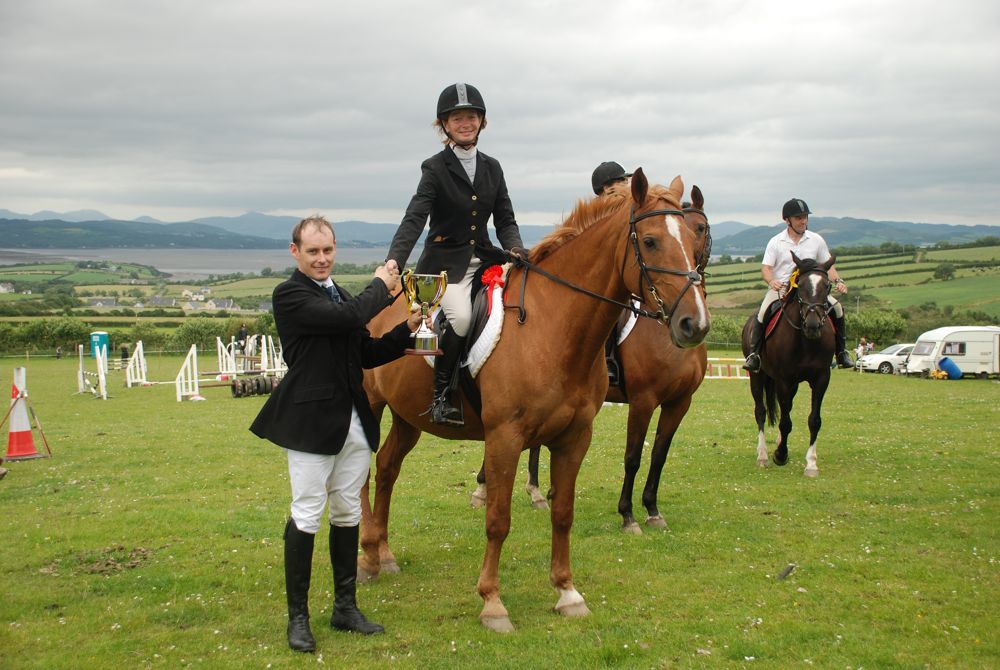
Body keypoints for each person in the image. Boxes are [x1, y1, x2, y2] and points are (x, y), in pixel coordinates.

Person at [250, 216, 427, 653]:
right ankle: (298, 618)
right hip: (311, 421)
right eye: (312, 251)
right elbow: (349, 317)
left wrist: (406, 330)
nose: (321, 258)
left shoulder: (341, 296)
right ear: (295, 252)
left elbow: (365, 351)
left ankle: (344, 607)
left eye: (327, 250)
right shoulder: (290, 294)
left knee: (347, 512)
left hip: (353, 421)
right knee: (307, 513)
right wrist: (382, 284)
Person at [386, 82, 526, 427]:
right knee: (462, 318)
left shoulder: (493, 167)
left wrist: (516, 248)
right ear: (445, 125)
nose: (466, 123)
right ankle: (441, 394)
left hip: (487, 261)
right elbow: (415, 217)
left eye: (472, 117)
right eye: (458, 118)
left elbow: (505, 219)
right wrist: (395, 260)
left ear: (482, 121)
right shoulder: (434, 168)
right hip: (446, 268)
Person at [743, 198, 853, 372]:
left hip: (810, 290)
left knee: (838, 308)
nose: (803, 221)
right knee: (762, 312)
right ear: (787, 220)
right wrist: (771, 281)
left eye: (805, 217)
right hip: (782, 289)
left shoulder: (816, 240)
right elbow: (766, 269)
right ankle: (754, 355)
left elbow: (828, 266)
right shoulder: (776, 241)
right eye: (798, 218)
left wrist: (838, 281)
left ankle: (841, 352)